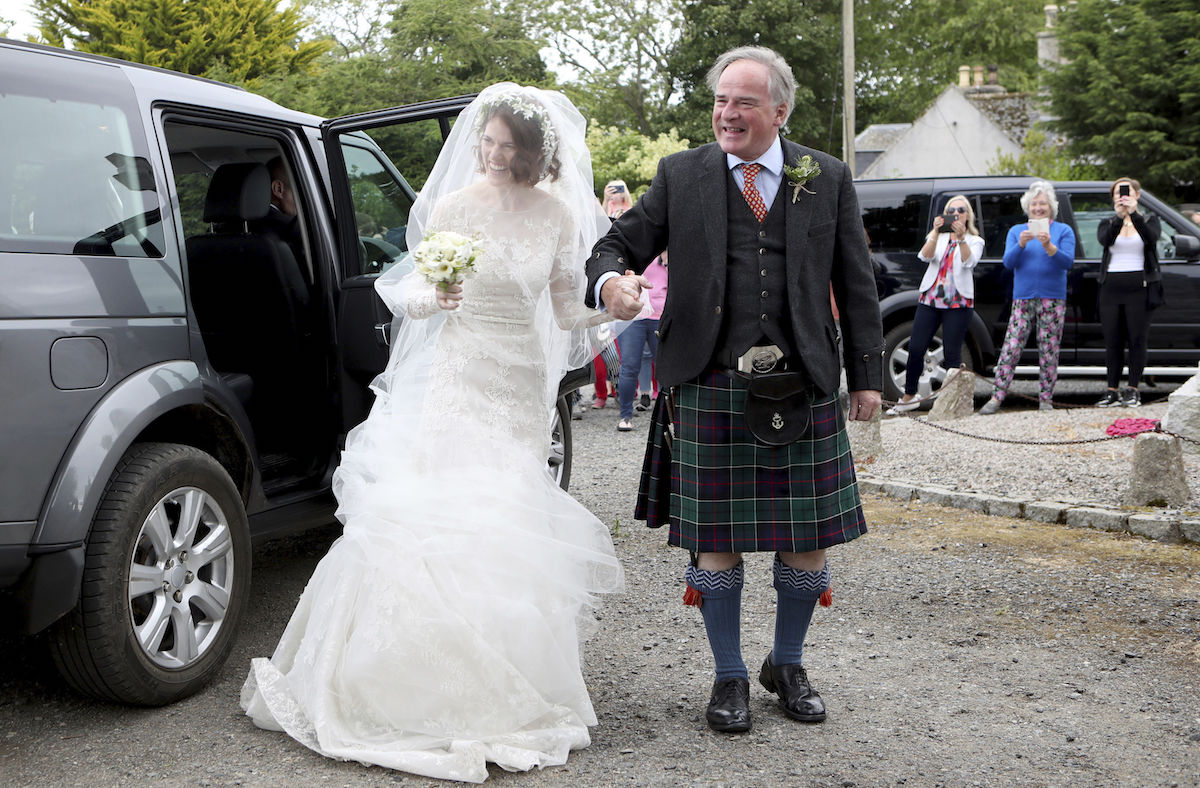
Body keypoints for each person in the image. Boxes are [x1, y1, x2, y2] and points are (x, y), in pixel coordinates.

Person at [241, 84, 624, 782]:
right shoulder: (452, 207)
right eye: (489, 142)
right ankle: (409, 681)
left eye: (510, 147)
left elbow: (567, 311)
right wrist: (436, 295)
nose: (496, 156)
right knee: (435, 514)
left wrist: (613, 311)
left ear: (537, 153)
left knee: (504, 522)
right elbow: (412, 295)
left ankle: (501, 677)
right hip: (459, 377)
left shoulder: (558, 216)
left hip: (516, 389)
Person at [587, 46, 883, 733]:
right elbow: (614, 245)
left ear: (780, 111)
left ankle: (787, 662)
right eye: (721, 101)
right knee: (715, 541)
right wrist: (613, 283)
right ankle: (727, 677)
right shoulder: (681, 175)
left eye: (744, 102)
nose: (728, 114)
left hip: (801, 381)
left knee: (807, 542)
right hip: (710, 380)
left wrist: (867, 375)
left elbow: (858, 283)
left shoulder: (827, 177)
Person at [978, 181, 1076, 414]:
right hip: (1022, 297)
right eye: (1034, 204)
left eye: (1043, 203)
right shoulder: (1016, 232)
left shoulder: (1063, 231)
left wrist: (1049, 246)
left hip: (1052, 298)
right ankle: (997, 396)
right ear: (1028, 207)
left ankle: (1046, 399)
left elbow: (1067, 262)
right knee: (1011, 346)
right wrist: (1021, 244)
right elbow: (1008, 263)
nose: (1038, 208)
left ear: (1051, 207)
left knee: (1049, 348)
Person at [887, 195, 984, 414]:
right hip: (931, 298)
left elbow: (970, 261)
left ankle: (951, 402)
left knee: (952, 352)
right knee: (916, 347)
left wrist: (960, 239)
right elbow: (925, 256)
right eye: (951, 210)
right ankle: (909, 396)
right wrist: (935, 233)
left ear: (968, 215)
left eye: (960, 210)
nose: (956, 213)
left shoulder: (975, 240)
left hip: (958, 302)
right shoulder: (938, 237)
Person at [1095, 177, 1162, 408]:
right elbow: (1105, 240)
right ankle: (1111, 390)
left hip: (1139, 287)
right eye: (1117, 194)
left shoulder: (1149, 220)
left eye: (1127, 192)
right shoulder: (1107, 222)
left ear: (1137, 195)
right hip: (1111, 287)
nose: (1122, 197)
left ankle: (1133, 389)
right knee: (1113, 340)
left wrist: (1134, 215)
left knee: (1136, 339)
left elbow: (1151, 239)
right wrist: (1119, 218)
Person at [616, 250, 668, 431]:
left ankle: (668, 416)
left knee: (664, 367)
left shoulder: (668, 253)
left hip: (661, 316)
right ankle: (625, 415)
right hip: (633, 316)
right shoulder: (632, 250)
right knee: (629, 366)